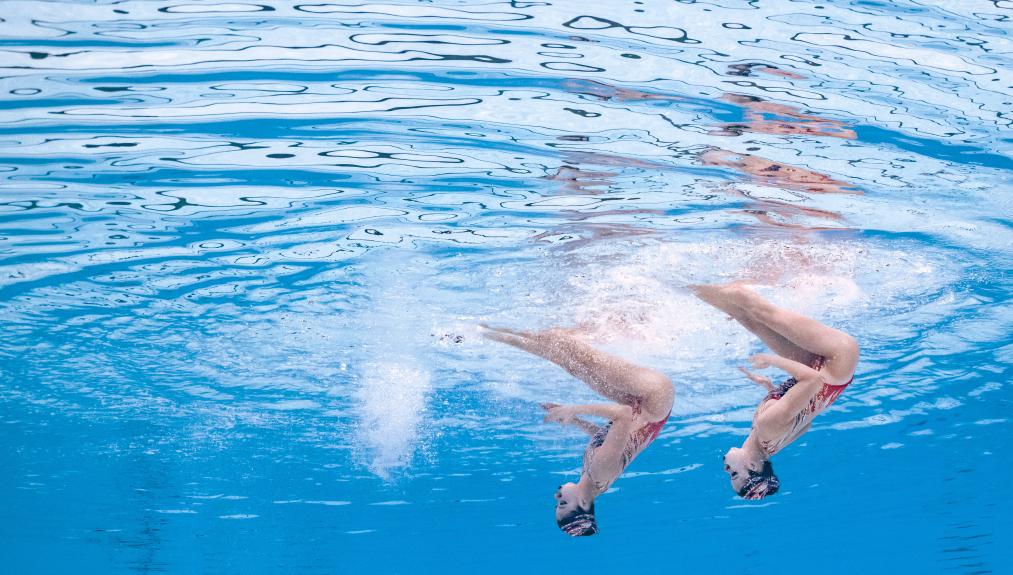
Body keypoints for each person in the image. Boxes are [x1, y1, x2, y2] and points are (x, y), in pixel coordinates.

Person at [481, 326, 674, 536]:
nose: (556, 497)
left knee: (572, 365)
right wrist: (574, 409)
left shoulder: (593, 480)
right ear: (582, 502)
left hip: (640, 404)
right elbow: (623, 414)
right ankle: (493, 330)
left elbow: (611, 438)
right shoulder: (600, 472)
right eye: (562, 503)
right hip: (653, 398)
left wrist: (576, 421)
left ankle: (492, 333)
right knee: (583, 356)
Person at [693, 282, 859, 500]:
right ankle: (686, 285)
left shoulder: (770, 446)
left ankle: (693, 289)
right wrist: (770, 360)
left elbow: (805, 423)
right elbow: (813, 379)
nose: (726, 470)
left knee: (748, 319)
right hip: (837, 357)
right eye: (734, 474)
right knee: (760, 311)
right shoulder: (767, 427)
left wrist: (774, 392)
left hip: (829, 372)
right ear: (753, 465)